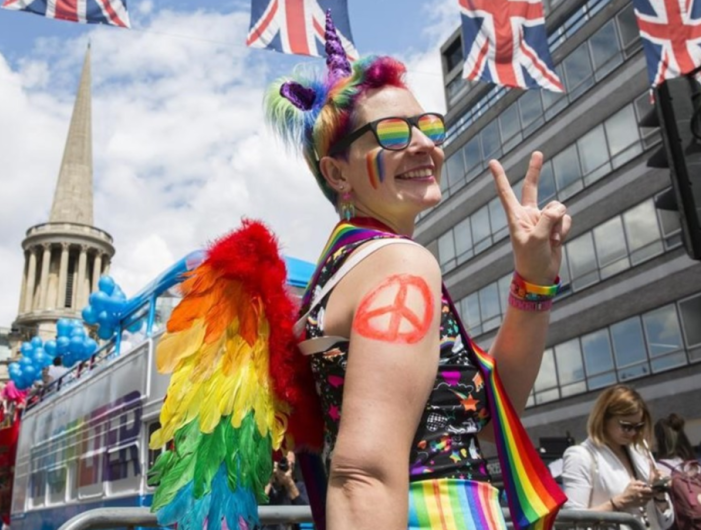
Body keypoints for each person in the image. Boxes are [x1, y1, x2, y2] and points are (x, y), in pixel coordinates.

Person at [259, 12, 571, 530]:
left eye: (427, 126)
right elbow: (364, 474)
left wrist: (532, 280)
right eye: (392, 133)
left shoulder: (349, 265)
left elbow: (492, 416)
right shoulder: (399, 264)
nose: (426, 144)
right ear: (337, 172)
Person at [562, 385, 674, 530]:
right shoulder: (581, 456)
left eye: (638, 426)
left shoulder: (639, 451)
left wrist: (659, 495)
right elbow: (570, 522)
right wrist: (620, 502)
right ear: (604, 418)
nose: (633, 432)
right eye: (626, 426)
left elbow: (666, 521)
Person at [263, 451, 309, 530]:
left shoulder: (300, 486)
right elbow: (252, 509)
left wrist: (289, 483)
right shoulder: (264, 484)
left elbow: (307, 515)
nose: (286, 466)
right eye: (282, 461)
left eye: (291, 464)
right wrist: (269, 479)